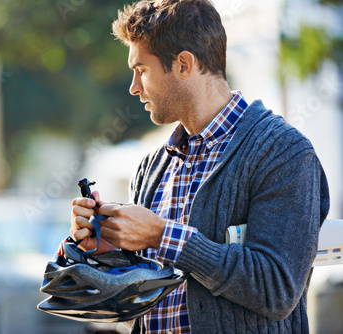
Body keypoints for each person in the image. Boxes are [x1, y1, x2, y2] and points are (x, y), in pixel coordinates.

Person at [70, 0, 330, 333]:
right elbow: (143, 286)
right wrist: (106, 250)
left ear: (183, 64)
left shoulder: (283, 153)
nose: (134, 87)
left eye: (142, 70)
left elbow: (276, 288)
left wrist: (161, 234)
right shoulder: (152, 167)